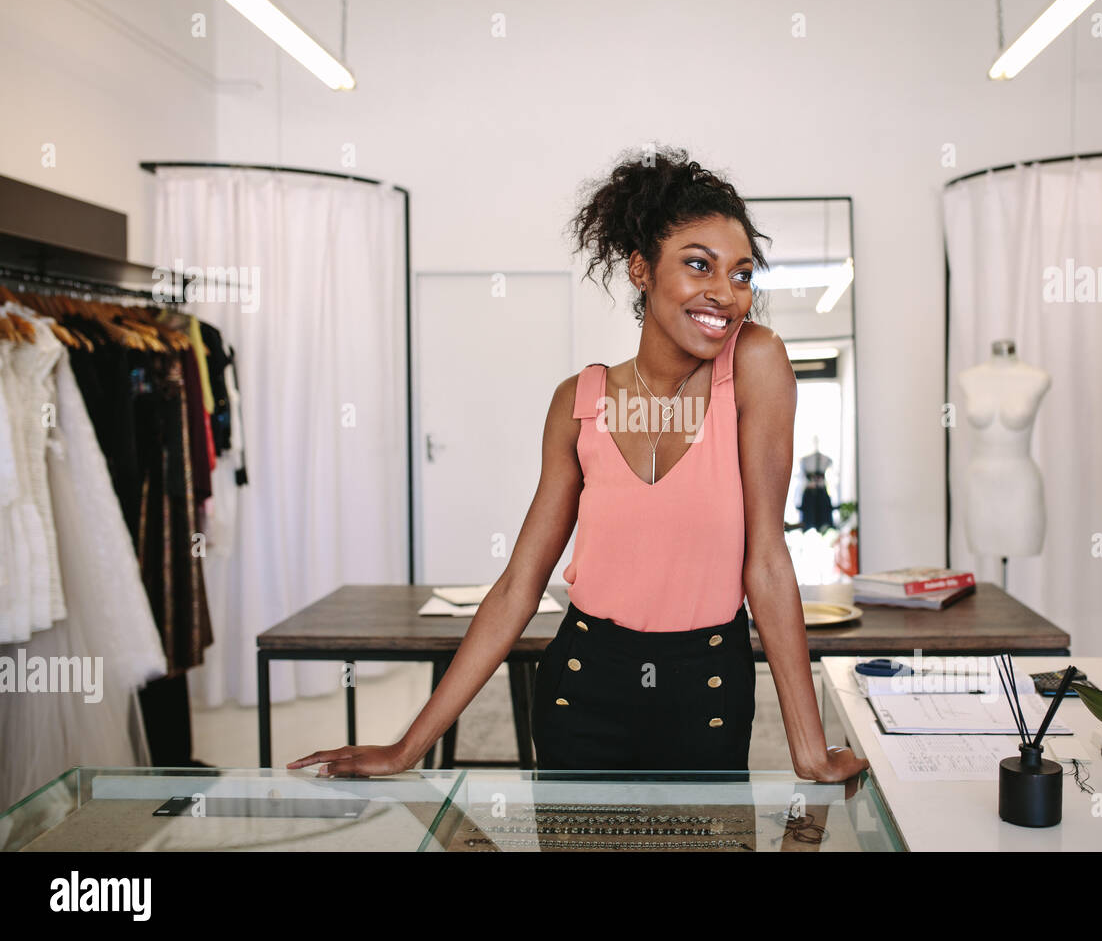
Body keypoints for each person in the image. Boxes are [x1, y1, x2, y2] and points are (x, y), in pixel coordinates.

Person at [289, 146, 867, 782]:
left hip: (706, 684)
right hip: (582, 686)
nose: (725, 294)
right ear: (640, 269)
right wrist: (406, 748)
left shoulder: (755, 363)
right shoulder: (579, 400)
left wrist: (809, 750)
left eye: (740, 274)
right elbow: (518, 587)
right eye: (698, 265)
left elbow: (766, 558)